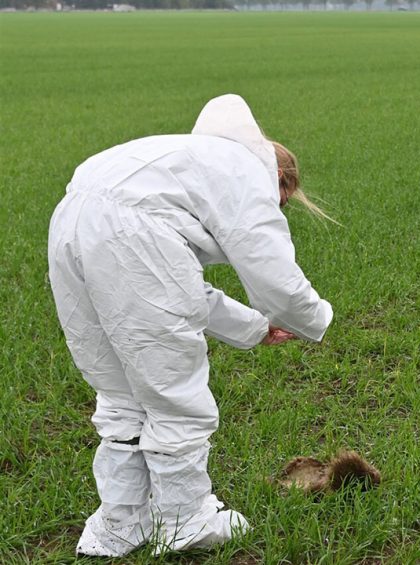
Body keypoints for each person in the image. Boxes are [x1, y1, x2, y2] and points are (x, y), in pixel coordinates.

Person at [47, 94, 333, 556]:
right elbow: (273, 275)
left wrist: (257, 328)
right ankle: (187, 521)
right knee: (174, 393)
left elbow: (173, 292)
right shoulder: (245, 172)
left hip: (70, 223)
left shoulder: (187, 161)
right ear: (280, 178)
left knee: (119, 392)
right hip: (129, 235)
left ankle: (120, 525)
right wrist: (316, 317)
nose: (279, 210)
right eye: (283, 202)